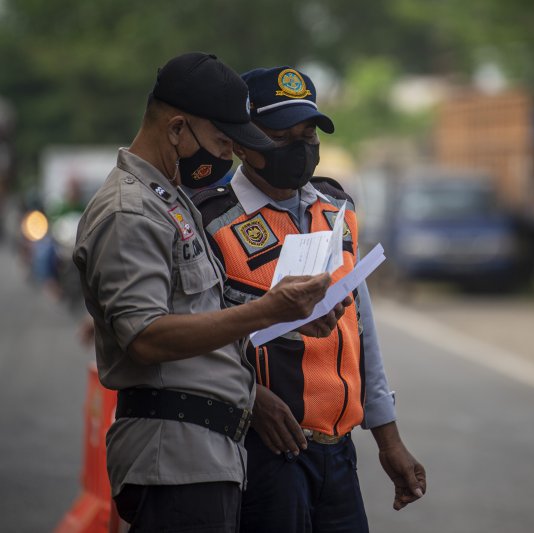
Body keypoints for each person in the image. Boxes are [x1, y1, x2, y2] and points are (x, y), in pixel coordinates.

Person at [73, 52, 346, 531]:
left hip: (205, 456)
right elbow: (148, 337)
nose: (227, 157)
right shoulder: (129, 213)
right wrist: (267, 311)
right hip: (173, 461)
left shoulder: (170, 201)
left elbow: (204, 318)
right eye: (223, 142)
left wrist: (290, 314)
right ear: (177, 129)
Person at [194, 66, 426, 532]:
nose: (300, 149)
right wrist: (248, 398)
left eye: (309, 135)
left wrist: (388, 438)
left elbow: (361, 327)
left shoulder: (337, 209)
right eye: (282, 136)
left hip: (338, 454)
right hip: (263, 454)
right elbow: (192, 338)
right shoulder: (209, 220)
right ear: (242, 141)